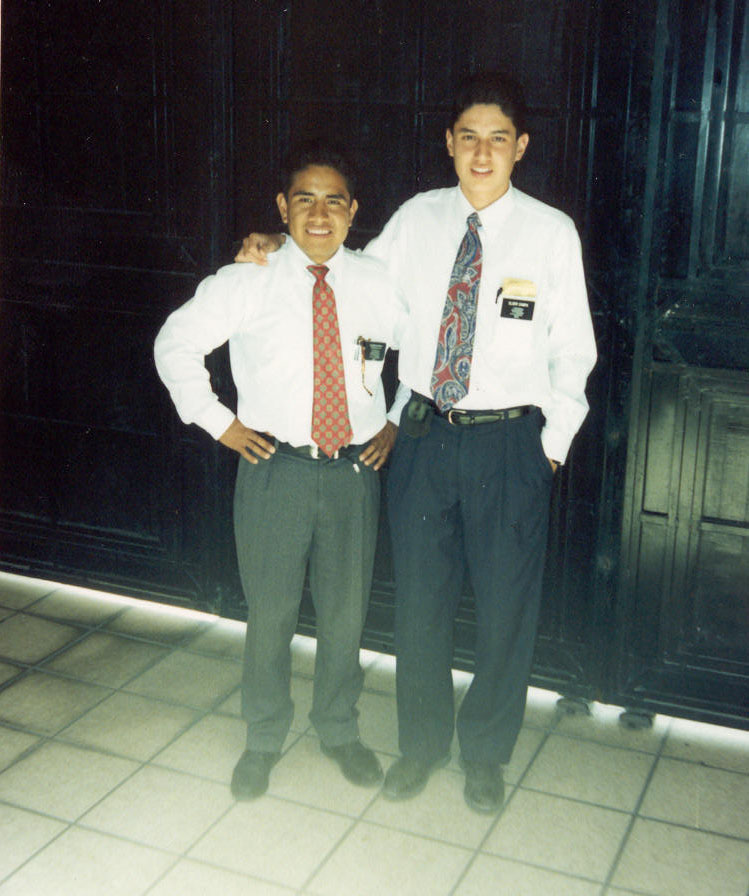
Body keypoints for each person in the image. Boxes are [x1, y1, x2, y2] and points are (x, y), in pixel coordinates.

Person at [236, 71, 597, 813]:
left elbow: (574, 352)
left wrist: (551, 448)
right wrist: (279, 245)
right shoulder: (416, 220)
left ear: (521, 147)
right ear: (448, 143)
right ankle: (423, 746)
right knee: (420, 607)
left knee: (504, 610)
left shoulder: (551, 233)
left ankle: (485, 754)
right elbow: (346, 271)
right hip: (426, 437)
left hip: (510, 443)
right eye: (468, 137)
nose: (482, 153)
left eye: (498, 138)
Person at [154, 140, 406, 800]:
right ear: (282, 208)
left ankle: (338, 728)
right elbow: (174, 343)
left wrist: (395, 418)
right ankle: (264, 736)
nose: (319, 215)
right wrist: (219, 422)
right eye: (304, 200)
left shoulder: (378, 284)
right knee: (270, 614)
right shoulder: (248, 280)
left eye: (333, 201)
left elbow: (426, 354)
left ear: (353, 211)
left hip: (353, 476)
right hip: (276, 471)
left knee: (345, 615)